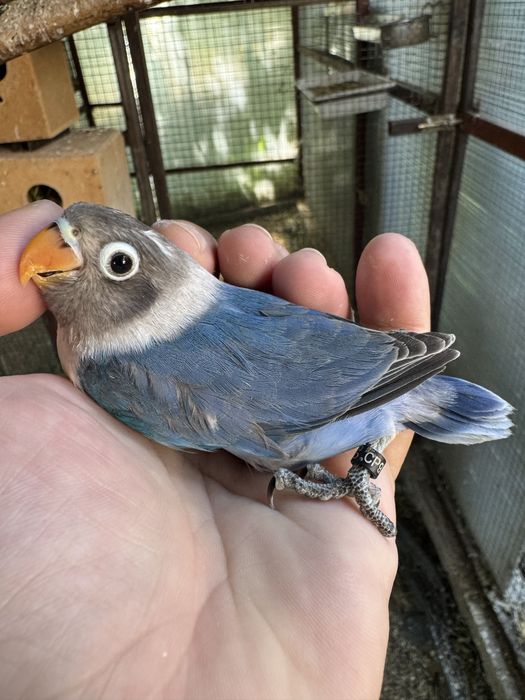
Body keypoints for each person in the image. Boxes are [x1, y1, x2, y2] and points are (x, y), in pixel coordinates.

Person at [0, 200, 430, 699]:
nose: (57, 249)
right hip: (349, 398)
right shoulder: (111, 360)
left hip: (354, 402)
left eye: (117, 263)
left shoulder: (113, 371)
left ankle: (370, 449)